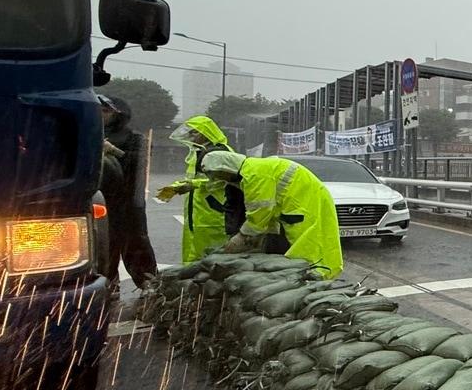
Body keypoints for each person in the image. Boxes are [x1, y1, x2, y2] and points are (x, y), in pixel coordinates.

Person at [198, 151, 343, 278]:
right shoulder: (250, 170)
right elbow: (215, 186)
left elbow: (259, 214)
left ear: (225, 167)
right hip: (302, 199)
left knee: (308, 244)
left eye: (217, 174)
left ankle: (316, 275)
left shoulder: (255, 175)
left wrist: (242, 236)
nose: (217, 178)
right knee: (305, 242)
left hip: (306, 201)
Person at [157, 116, 245, 262]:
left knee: (212, 257)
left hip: (214, 214)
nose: (191, 136)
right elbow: (196, 178)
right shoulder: (199, 151)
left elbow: (222, 179)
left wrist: (192, 185)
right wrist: (177, 187)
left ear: (206, 132)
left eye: (194, 132)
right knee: (193, 253)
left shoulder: (220, 152)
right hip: (197, 212)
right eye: (190, 133)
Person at [97, 95, 159, 290]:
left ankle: (148, 283)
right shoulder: (91, 134)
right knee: (103, 246)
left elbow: (139, 163)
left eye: (106, 111)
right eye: (99, 110)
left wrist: (114, 151)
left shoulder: (135, 138)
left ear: (119, 115)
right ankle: (108, 285)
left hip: (128, 201)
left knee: (135, 243)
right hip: (101, 201)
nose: (101, 115)